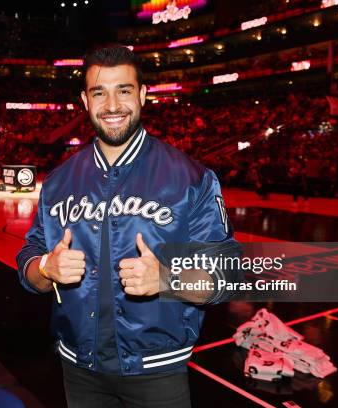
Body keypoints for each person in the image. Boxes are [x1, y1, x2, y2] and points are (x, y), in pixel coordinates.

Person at [16, 45, 242, 408]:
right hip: (78, 369)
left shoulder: (191, 178)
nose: (112, 105)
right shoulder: (58, 181)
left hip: (157, 373)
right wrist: (45, 268)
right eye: (99, 92)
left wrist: (169, 280)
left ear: (142, 94)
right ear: (84, 101)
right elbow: (29, 258)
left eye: (123, 90)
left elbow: (230, 273)